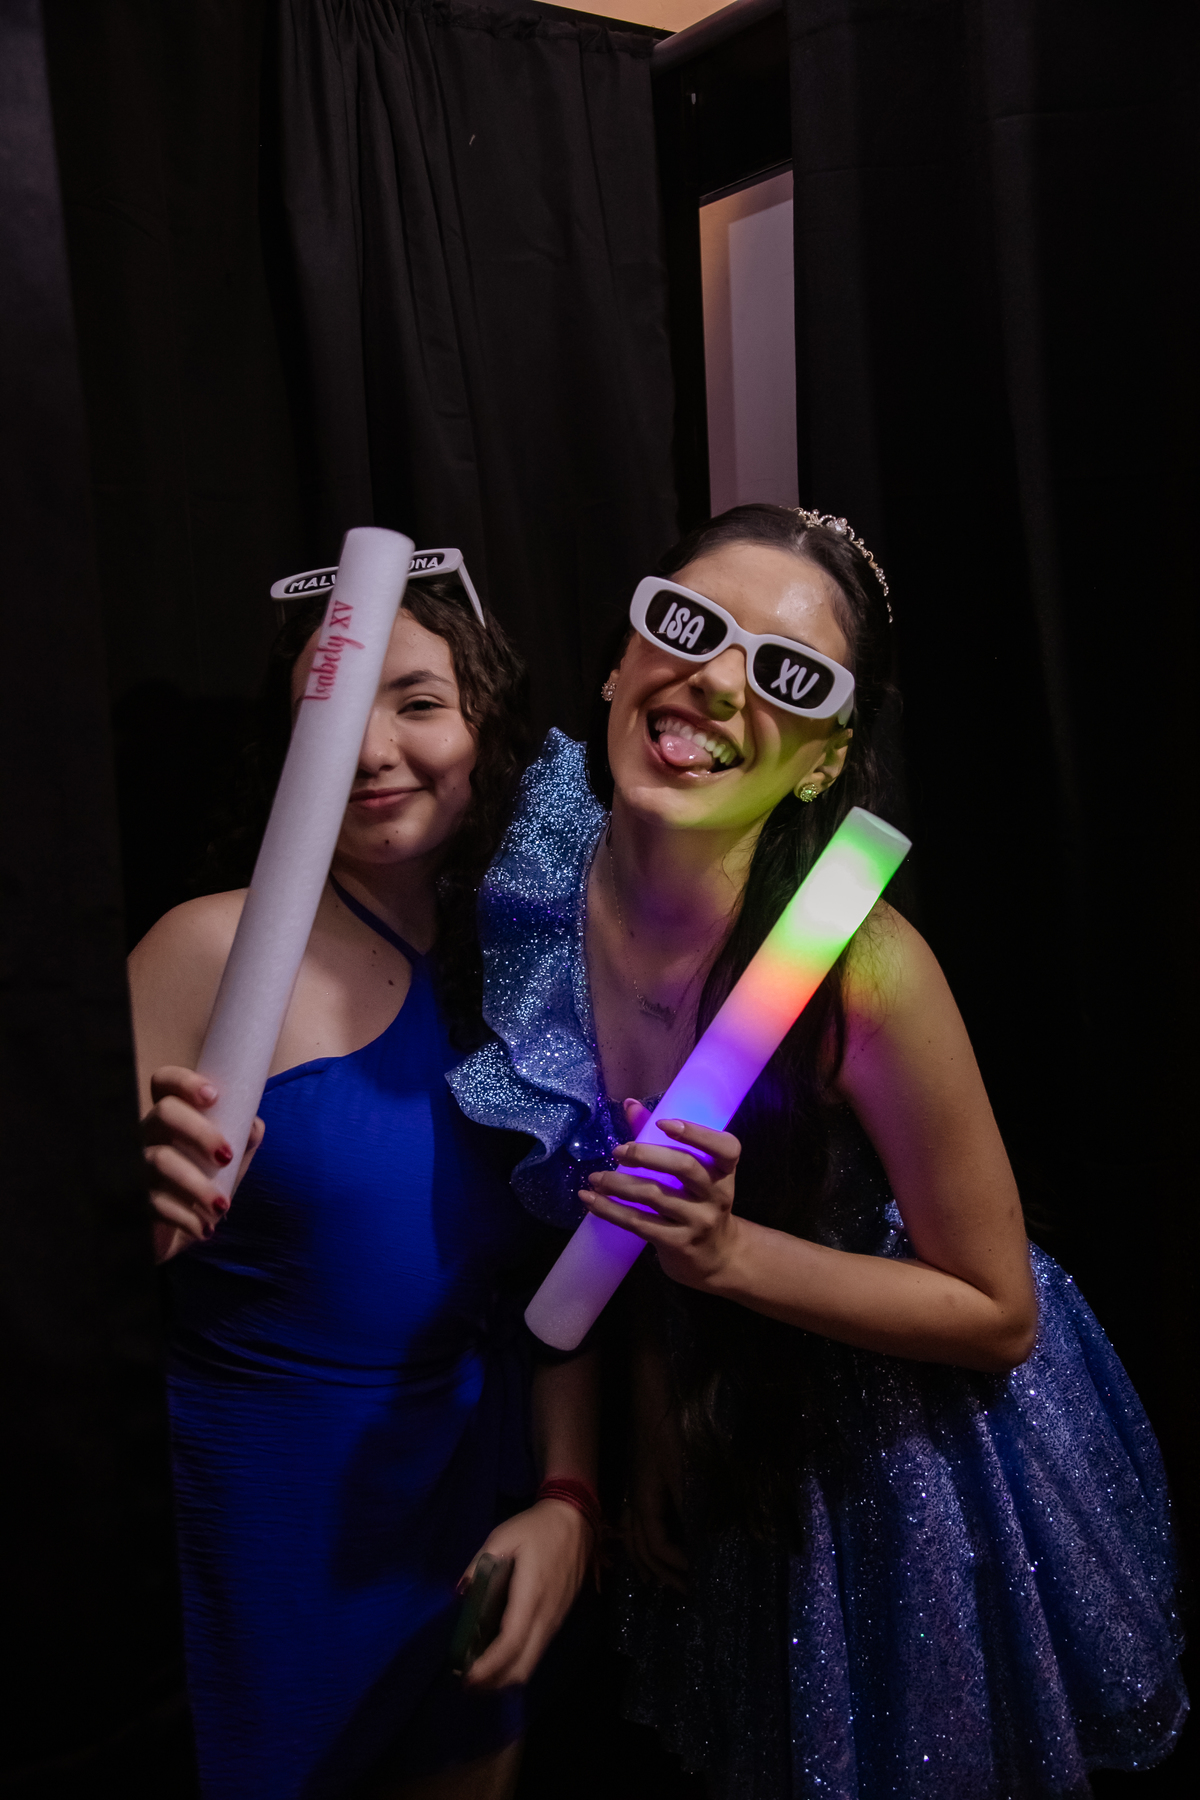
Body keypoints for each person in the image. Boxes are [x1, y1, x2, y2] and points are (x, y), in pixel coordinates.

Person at [449, 505, 1187, 1798]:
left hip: (889, 1449)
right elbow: (602, 1206)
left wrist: (730, 1255)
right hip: (702, 1411)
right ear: (621, 661)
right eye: (688, 625)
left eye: (789, 676)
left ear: (822, 759)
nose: (715, 680)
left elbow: (997, 1313)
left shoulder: (863, 968)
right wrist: (641, 1422)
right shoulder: (541, 875)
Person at [130, 577, 598, 1800]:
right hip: (255, 1543)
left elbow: (568, 1286)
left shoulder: (533, 975)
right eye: (330, 712)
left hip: (467, 1530)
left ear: (485, 726)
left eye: (419, 702)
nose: (372, 748)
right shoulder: (206, 950)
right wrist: (120, 1215)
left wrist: (569, 1499)